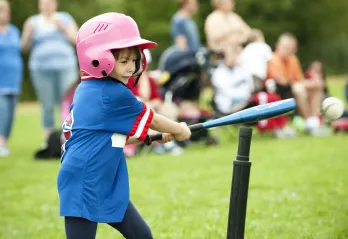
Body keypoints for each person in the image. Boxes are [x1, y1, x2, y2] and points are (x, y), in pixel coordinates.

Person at [58, 12, 191, 239]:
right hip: (84, 181)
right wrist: (179, 129)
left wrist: (154, 136)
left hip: (102, 179)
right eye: (123, 61)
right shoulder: (113, 93)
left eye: (134, 60)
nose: (131, 67)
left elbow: (107, 137)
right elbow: (154, 118)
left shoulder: (88, 88)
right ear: (98, 58)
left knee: (141, 235)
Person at [21, 0, 79, 141]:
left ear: (56, 4)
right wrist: (29, 34)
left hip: (65, 66)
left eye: (49, 3)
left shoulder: (65, 18)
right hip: (41, 68)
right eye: (43, 3)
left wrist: (62, 28)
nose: (46, 5)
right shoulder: (32, 21)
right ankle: (49, 139)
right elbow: (24, 47)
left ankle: (69, 134)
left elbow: (77, 39)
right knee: (46, 103)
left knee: (68, 101)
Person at [267, 33, 330, 136]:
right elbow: (283, 83)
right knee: (299, 89)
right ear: (278, 46)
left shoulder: (293, 59)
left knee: (316, 87)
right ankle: (309, 123)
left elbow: (299, 79)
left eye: (291, 48)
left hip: (294, 90)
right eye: (285, 47)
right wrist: (306, 84)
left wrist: (313, 84)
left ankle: (313, 122)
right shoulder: (273, 59)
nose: (288, 51)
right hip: (281, 92)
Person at [0, 0, 23, 157]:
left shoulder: (14, 31)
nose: (4, 14)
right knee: (2, 111)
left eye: (6, 11)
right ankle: (1, 143)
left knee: (10, 114)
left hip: (13, 80)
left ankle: (4, 142)